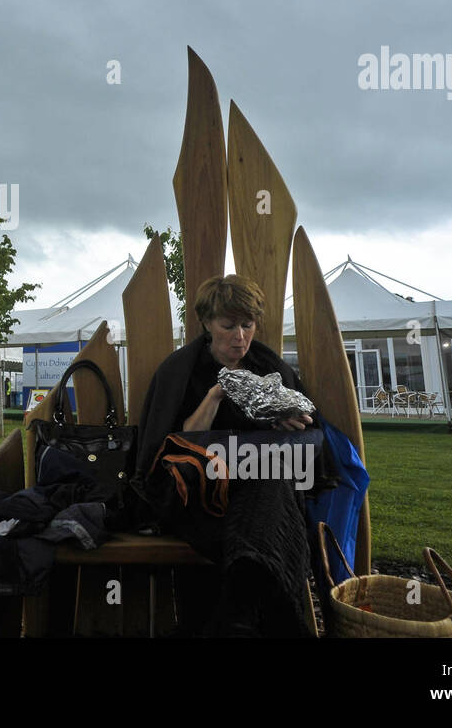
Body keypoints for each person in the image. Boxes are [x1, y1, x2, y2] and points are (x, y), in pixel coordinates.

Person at [131, 273, 318, 637]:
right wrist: (216, 394)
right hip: (201, 491)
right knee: (265, 507)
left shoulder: (270, 369)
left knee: (271, 480)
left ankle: (237, 613)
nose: (240, 336)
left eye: (247, 325)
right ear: (206, 323)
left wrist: (285, 426)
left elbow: (306, 443)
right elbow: (177, 444)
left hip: (260, 489)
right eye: (228, 325)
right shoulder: (181, 371)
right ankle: (256, 615)